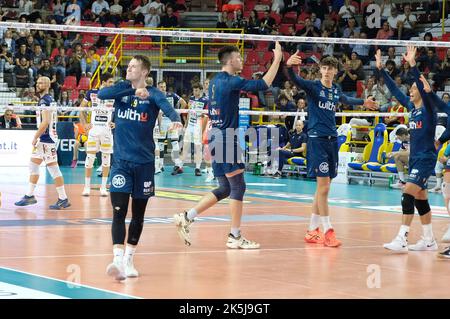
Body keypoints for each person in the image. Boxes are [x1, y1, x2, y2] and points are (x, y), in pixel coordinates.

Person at [173, 43, 284, 249]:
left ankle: (187, 216)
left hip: (216, 136)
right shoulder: (232, 81)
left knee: (225, 188)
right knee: (238, 186)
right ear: (230, 60)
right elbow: (264, 84)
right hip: (226, 137)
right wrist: (277, 59)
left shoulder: (214, 82)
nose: (242, 61)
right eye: (239, 58)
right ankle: (235, 236)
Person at [97, 55, 182, 281]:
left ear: (144, 72)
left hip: (144, 164)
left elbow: (167, 107)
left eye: (134, 67)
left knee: (138, 215)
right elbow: (101, 94)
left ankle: (129, 259)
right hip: (121, 163)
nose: (129, 69)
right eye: (129, 66)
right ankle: (116, 259)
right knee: (118, 211)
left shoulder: (154, 94)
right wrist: (131, 92)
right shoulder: (121, 89)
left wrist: (176, 119)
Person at [285, 52, 378, 247]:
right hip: (316, 140)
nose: (327, 72)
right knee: (325, 188)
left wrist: (364, 102)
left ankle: (312, 230)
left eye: (330, 69)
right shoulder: (313, 87)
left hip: (331, 140)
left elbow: (345, 99)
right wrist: (289, 66)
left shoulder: (335, 89)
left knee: (321, 188)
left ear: (335, 71)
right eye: (324, 68)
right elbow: (295, 79)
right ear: (320, 70)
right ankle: (328, 230)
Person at [379, 47, 450, 252]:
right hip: (416, 159)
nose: (410, 91)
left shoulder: (428, 108)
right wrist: (381, 70)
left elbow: (421, 83)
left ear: (421, 91)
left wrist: (412, 65)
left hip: (427, 158)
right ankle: (429, 240)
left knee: (407, 194)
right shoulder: (412, 109)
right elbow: (394, 90)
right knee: (421, 199)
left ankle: (402, 238)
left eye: (413, 89)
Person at [15, 76, 70, 209]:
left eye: (41, 83)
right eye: (37, 82)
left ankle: (63, 198)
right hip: (45, 139)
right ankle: (29, 196)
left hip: (47, 139)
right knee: (33, 165)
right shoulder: (47, 100)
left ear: (47, 85)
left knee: (53, 169)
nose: (37, 84)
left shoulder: (45, 101)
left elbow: (45, 122)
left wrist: (35, 137)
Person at [79, 72, 115, 197]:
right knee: (89, 159)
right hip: (94, 131)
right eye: (110, 82)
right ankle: (87, 187)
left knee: (106, 160)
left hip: (107, 132)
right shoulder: (91, 93)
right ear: (103, 82)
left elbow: (120, 111)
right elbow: (81, 108)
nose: (112, 84)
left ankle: (103, 187)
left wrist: (115, 123)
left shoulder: (114, 95)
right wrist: (84, 125)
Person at [156, 80, 187, 175]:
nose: (163, 88)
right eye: (161, 86)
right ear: (158, 87)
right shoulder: (156, 96)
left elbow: (184, 103)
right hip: (161, 121)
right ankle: (161, 165)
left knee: (174, 141)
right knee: (161, 143)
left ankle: (178, 163)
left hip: (171, 121)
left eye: (164, 86)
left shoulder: (171, 95)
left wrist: (177, 113)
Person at [181, 82, 208, 176]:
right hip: (190, 125)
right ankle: (180, 166)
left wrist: (202, 130)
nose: (194, 92)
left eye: (196, 90)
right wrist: (186, 125)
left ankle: (197, 168)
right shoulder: (191, 99)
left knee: (198, 147)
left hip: (198, 125)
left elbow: (206, 116)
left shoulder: (205, 100)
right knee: (185, 145)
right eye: (193, 90)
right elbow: (189, 112)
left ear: (200, 90)